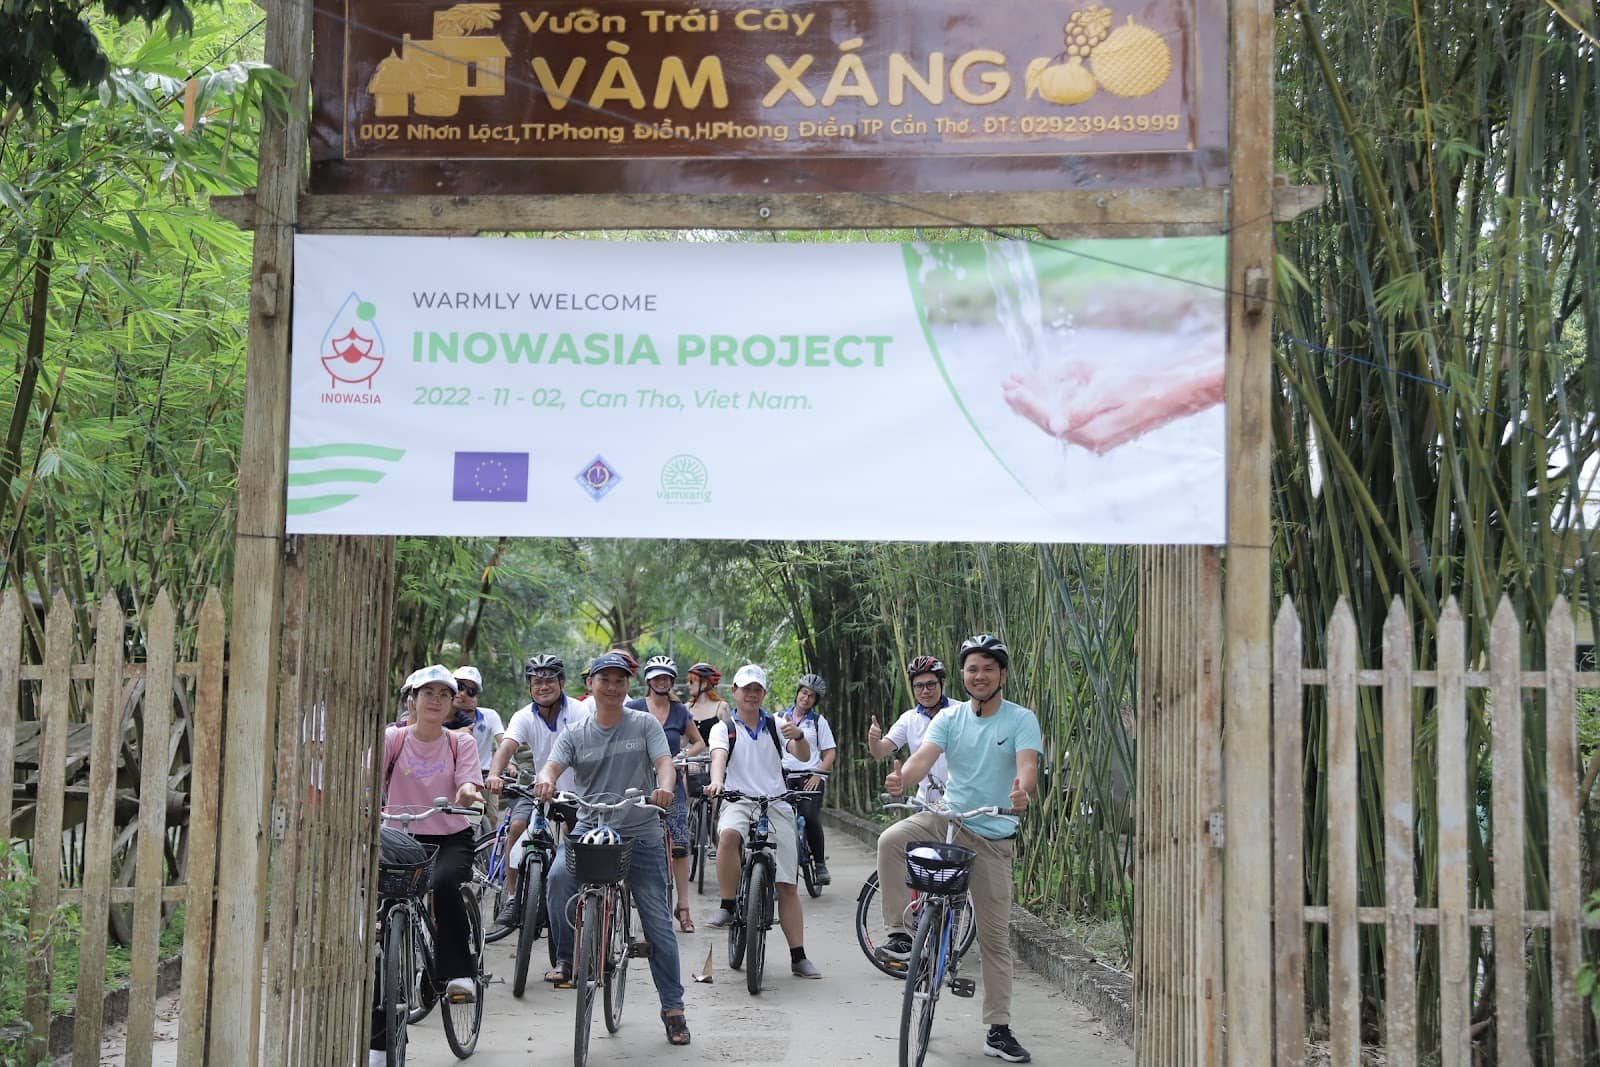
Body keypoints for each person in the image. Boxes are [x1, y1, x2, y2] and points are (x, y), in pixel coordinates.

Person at [878, 634, 1041, 1064]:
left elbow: (1027, 767)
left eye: (989, 667)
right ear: (964, 675)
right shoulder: (949, 718)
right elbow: (920, 760)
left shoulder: (1021, 719)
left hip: (991, 834)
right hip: (947, 820)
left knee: (994, 939)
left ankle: (998, 1028)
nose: (980, 675)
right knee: (891, 841)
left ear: (1001, 674)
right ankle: (898, 933)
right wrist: (902, 780)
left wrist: (1022, 792)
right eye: (972, 668)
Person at [533, 651, 691, 1047]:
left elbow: (664, 763)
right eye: (605, 679)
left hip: (639, 832)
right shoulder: (575, 733)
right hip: (589, 828)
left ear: (627, 687)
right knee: (556, 879)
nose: (613, 687)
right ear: (591, 685)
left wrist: (665, 789)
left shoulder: (643, 724)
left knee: (656, 921)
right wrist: (546, 780)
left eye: (620, 680)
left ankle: (673, 1008)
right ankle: (568, 960)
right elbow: (551, 766)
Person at [371, 664, 485, 1063]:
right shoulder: (393, 739)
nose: (435, 700)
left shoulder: (460, 743)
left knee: (443, 884)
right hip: (399, 836)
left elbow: (468, 782)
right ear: (411, 700)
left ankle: (457, 972)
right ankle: (378, 1042)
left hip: (449, 836)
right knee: (379, 929)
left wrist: (469, 792)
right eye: (427, 693)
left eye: (443, 694)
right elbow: (369, 776)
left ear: (451, 703)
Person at [703, 663, 822, 979]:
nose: (752, 695)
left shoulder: (776, 724)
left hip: (776, 802)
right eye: (746, 689)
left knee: (787, 883)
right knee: (728, 836)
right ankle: (728, 905)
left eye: (757, 689)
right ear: (736, 692)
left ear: (764, 693)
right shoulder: (723, 728)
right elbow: (719, 758)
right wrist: (717, 783)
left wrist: (798, 736)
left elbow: (801, 752)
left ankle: (798, 956)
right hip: (737, 799)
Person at [485, 653, 588, 926]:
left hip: (576, 793)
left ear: (562, 683)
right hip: (540, 790)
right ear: (530, 687)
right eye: (537, 681)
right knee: (516, 828)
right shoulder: (524, 716)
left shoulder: (579, 711)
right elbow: (507, 747)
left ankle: (573, 901)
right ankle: (511, 896)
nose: (543, 686)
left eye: (550, 680)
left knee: (572, 841)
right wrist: (495, 773)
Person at [626, 655, 706, 932]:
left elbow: (699, 742)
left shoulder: (680, 711)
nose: (661, 681)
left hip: (672, 785)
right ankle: (636, 900)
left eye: (666, 677)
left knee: (680, 849)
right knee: (633, 842)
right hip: (637, 785)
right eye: (657, 677)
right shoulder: (633, 708)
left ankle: (683, 907)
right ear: (648, 680)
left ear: (672, 680)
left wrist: (681, 756)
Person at [868, 655, 954, 802]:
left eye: (931, 684)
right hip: (925, 803)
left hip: (959, 805)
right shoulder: (909, 719)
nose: (925, 691)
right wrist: (873, 740)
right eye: (919, 686)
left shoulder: (960, 712)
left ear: (942, 683)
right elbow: (880, 752)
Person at [781, 672, 837, 885]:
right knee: (779, 822)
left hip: (810, 777)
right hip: (785, 776)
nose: (806, 698)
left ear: (815, 701)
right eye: (804, 693)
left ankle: (820, 864)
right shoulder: (780, 718)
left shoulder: (818, 722)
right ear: (797, 693)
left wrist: (818, 774)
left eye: (811, 696)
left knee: (811, 817)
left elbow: (830, 752)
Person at [452, 665, 504, 829]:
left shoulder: (489, 716)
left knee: (492, 817)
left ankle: (489, 851)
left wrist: (509, 763)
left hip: (485, 774)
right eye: (459, 687)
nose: (463, 694)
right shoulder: (437, 713)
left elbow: (503, 742)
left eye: (470, 691)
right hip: (451, 774)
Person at [685, 662, 730, 739]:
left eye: (691, 681)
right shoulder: (686, 708)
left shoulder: (721, 707)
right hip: (690, 751)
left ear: (704, 683)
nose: (687, 684)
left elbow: (728, 737)